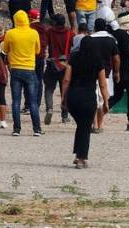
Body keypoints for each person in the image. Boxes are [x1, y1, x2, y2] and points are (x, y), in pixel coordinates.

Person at [62, 33, 108, 168]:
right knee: (85, 127)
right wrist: (105, 100)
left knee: (81, 125)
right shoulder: (97, 60)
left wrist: (64, 98)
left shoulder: (74, 58)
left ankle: (77, 153)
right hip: (88, 98)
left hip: (73, 97)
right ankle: (81, 158)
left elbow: (66, 80)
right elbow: (103, 84)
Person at [1, 10, 42, 137]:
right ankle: (36, 129)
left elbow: (5, 49)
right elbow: (38, 50)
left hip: (15, 69)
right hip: (30, 68)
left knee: (16, 101)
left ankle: (16, 129)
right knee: (33, 101)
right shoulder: (34, 33)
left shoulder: (10, 33)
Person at [84, 18, 120, 133]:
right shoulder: (111, 40)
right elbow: (116, 58)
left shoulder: (89, 39)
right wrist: (117, 72)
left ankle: (94, 124)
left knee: (94, 99)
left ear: (94, 27)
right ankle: (100, 124)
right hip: (106, 73)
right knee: (103, 99)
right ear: (105, 27)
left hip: (91, 73)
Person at [41, 14, 72, 125]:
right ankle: (64, 115)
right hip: (65, 65)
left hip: (52, 64)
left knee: (49, 89)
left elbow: (44, 45)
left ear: (54, 23)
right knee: (65, 90)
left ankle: (49, 108)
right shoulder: (70, 33)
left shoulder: (49, 32)